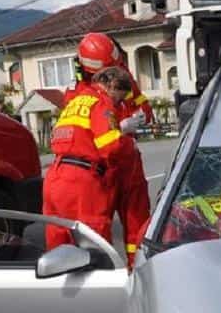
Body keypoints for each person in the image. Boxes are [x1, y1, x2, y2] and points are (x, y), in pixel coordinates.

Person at [71, 32, 152, 267]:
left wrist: (141, 117)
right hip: (102, 169)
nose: (115, 77)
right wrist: (120, 128)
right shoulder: (80, 94)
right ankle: (103, 278)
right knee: (97, 227)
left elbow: (143, 106)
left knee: (138, 224)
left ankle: (138, 271)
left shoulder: (125, 80)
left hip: (129, 164)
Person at [43, 66, 135, 252]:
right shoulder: (102, 102)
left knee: (59, 240)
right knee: (95, 239)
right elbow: (110, 146)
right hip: (81, 180)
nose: (118, 104)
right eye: (119, 97)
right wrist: (128, 142)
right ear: (113, 86)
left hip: (55, 176)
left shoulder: (76, 101)